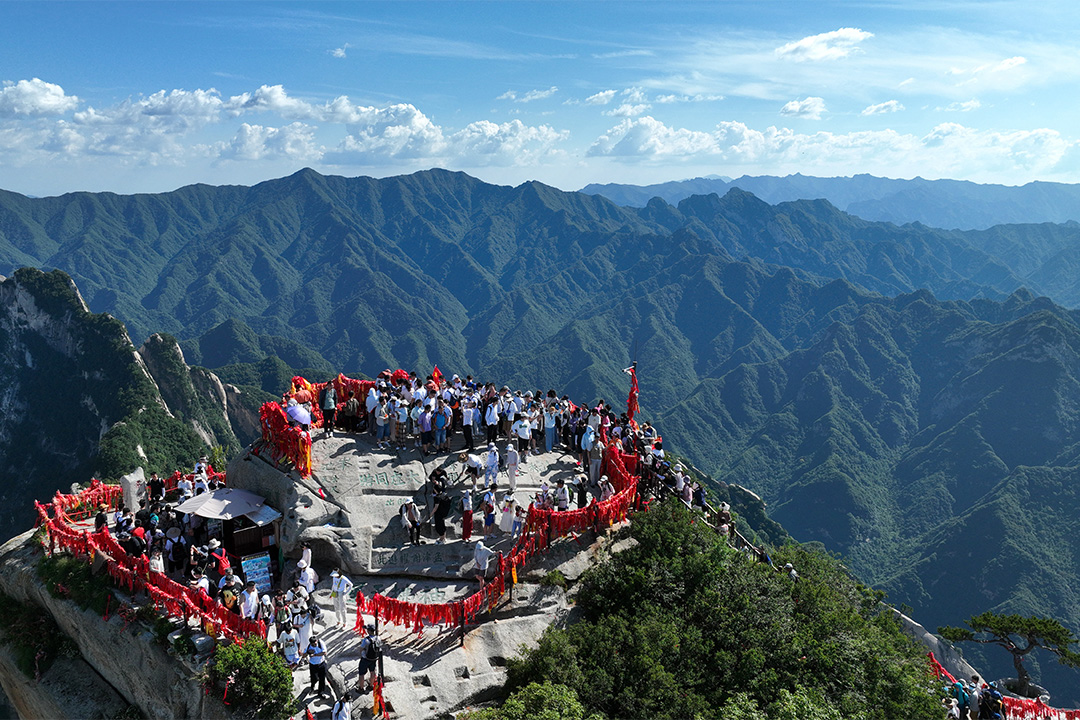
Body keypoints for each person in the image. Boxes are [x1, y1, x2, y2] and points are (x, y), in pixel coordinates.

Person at [357, 624, 382, 693]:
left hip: (365, 659)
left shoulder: (366, 640)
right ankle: (371, 685)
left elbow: (361, 649)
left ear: (369, 631)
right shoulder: (378, 638)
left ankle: (361, 688)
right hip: (374, 658)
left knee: (361, 674)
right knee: (372, 672)